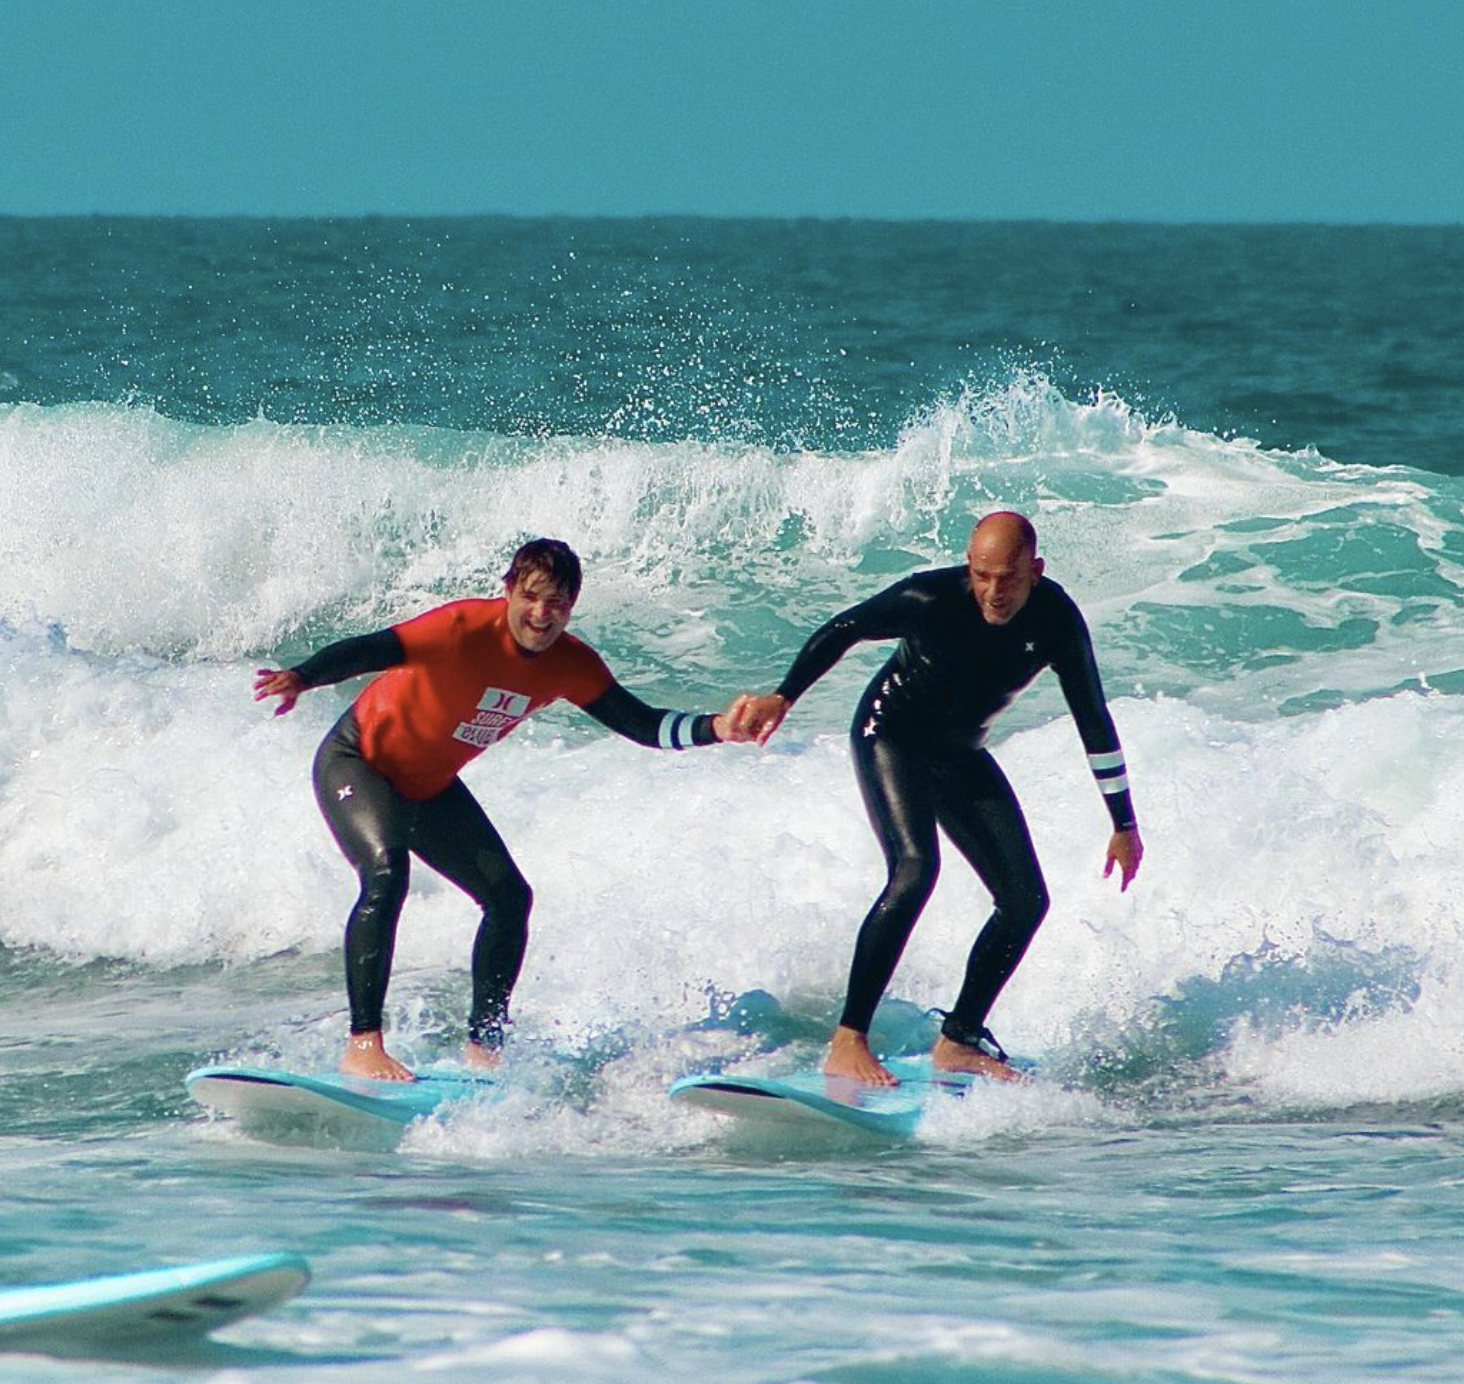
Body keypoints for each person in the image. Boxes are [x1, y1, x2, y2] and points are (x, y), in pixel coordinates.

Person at [255, 537, 757, 1082]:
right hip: (358, 761)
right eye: (532, 597)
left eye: (558, 604)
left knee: (509, 898)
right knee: (386, 874)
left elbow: (640, 724)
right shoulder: (461, 629)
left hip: (428, 786)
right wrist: (303, 677)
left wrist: (717, 729)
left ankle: (485, 1048)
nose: (542, 615)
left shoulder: (572, 665)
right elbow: (370, 650)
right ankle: (363, 1045)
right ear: (509, 591)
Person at [735, 512, 1142, 1086]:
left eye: (1008, 578)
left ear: (1036, 570)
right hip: (891, 734)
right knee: (915, 868)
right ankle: (849, 1040)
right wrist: (784, 696)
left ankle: (958, 1040)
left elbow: (1093, 719)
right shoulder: (929, 598)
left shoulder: (1056, 620)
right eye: (981, 575)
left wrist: (1123, 823)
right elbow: (845, 627)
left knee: (1025, 900)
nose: (993, 592)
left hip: (957, 752)